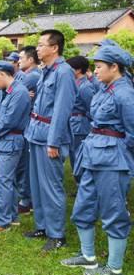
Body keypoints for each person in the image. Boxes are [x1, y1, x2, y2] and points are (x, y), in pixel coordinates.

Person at [62, 45, 134, 275]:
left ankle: (114, 269)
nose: (95, 70)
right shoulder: (104, 89)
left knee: (113, 212)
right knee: (83, 206)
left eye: (100, 66)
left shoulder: (125, 93)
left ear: (115, 67)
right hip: (93, 155)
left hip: (113, 160)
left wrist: (123, 156)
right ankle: (88, 256)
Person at [23, 29, 77, 251]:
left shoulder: (64, 72)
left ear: (54, 48)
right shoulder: (47, 70)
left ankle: (57, 235)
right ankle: (43, 226)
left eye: (41, 44)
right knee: (37, 184)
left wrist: (54, 142)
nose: (37, 48)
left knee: (51, 186)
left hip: (50, 138)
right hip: (37, 133)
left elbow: (62, 111)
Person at [0, 61, 31, 233]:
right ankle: (11, 216)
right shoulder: (7, 91)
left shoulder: (19, 92)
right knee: (7, 180)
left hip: (11, 140)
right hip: (5, 140)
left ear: (2, 74)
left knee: (1, 180)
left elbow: (9, 119)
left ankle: (2, 221)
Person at [15, 45, 41, 215]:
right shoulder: (28, 75)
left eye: (20, 58)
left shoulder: (33, 76)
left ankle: (26, 200)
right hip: (27, 122)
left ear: (30, 60)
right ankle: (27, 198)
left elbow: (9, 90)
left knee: (25, 163)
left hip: (28, 124)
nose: (18, 62)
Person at [66, 56, 96, 183]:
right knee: (74, 157)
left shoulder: (85, 87)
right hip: (74, 125)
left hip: (80, 126)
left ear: (78, 70)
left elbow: (92, 109)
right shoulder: (76, 84)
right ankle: (80, 185)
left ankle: (82, 185)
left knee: (79, 157)